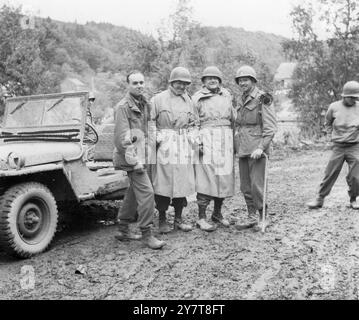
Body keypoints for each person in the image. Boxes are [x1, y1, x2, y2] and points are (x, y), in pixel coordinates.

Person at [113, 71, 166, 250]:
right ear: (128, 85)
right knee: (147, 193)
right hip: (132, 158)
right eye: (135, 83)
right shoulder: (123, 107)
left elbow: (147, 128)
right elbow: (123, 139)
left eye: (141, 82)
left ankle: (123, 228)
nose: (139, 85)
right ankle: (147, 234)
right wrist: (135, 162)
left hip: (144, 154)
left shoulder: (144, 103)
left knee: (135, 192)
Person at [150, 67, 197, 234]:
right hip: (165, 143)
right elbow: (149, 122)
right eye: (178, 82)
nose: (181, 86)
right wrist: (157, 138)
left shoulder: (189, 101)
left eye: (185, 83)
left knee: (181, 183)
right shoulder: (158, 99)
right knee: (163, 183)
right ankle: (162, 219)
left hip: (183, 144)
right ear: (171, 82)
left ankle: (178, 219)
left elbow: (193, 123)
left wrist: (194, 139)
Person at [192, 66, 236, 232]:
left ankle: (217, 213)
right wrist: (198, 142)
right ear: (203, 81)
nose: (212, 81)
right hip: (207, 138)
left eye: (216, 78)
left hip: (225, 138)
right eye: (209, 78)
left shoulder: (227, 95)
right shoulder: (197, 98)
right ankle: (201, 217)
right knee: (206, 178)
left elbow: (233, 119)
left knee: (223, 177)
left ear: (220, 81)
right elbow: (193, 123)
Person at [234, 65, 277, 231]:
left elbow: (270, 127)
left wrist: (261, 147)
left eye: (246, 80)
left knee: (257, 185)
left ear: (253, 80)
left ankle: (263, 217)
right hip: (243, 147)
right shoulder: (241, 98)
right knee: (245, 186)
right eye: (240, 80)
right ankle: (251, 216)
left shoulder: (263, 98)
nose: (243, 83)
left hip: (257, 149)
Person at [307, 81, 359, 210]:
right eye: (351, 97)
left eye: (356, 97)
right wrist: (331, 137)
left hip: (354, 146)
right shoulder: (334, 107)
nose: (353, 99)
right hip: (338, 146)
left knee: (356, 175)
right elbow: (328, 123)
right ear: (344, 95)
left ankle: (354, 198)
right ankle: (320, 198)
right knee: (330, 173)